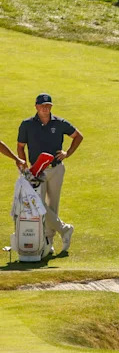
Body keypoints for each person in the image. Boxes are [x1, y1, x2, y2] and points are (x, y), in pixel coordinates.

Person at [17, 93, 82, 253]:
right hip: (37, 170)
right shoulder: (27, 124)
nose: (45, 108)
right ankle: (64, 229)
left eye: (48, 106)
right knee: (38, 204)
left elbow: (78, 136)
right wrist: (24, 164)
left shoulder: (59, 123)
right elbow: (20, 146)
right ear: (36, 107)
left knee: (53, 204)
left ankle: (49, 243)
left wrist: (67, 153)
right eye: (42, 106)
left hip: (56, 168)